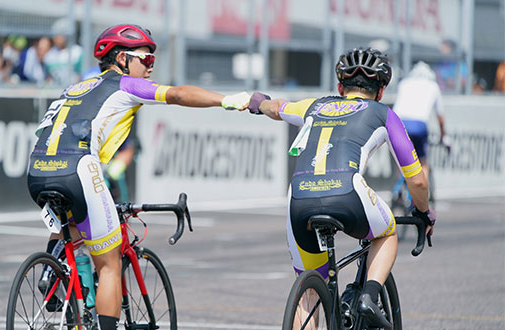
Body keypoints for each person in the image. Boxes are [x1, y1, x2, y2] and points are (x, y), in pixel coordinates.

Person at [27, 24, 250, 330]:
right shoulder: (124, 85)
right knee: (109, 264)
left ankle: (52, 267)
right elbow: (178, 93)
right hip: (78, 169)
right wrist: (225, 100)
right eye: (145, 60)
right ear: (121, 59)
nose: (150, 68)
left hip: (37, 169)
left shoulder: (76, 88)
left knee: (72, 224)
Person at [247, 47, 435, 329]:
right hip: (347, 193)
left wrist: (259, 102)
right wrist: (424, 212)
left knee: (309, 298)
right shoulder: (383, 113)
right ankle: (369, 297)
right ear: (381, 91)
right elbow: (417, 180)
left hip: (299, 198)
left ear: (339, 87)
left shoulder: (314, 105)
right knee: (387, 232)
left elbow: (276, 107)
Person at [392, 61, 448, 181]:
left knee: (402, 163)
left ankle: (398, 192)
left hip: (398, 124)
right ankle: (422, 195)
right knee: (422, 162)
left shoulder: (404, 83)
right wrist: (443, 136)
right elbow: (441, 118)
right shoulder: (433, 86)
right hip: (418, 125)